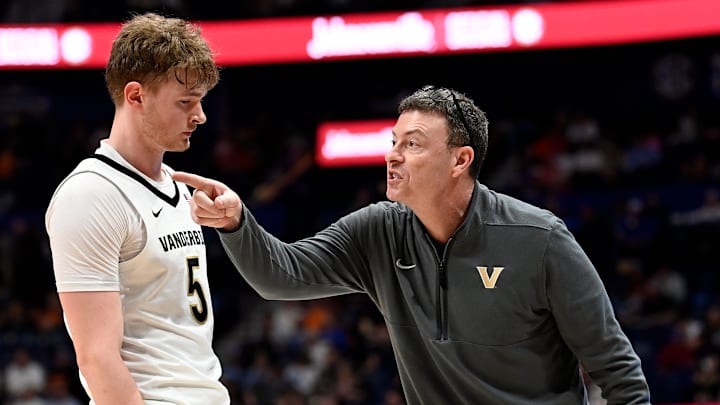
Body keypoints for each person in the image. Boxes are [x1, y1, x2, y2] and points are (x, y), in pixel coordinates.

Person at [173, 85, 651, 404]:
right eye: (394, 140)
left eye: (414, 144)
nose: (393, 155)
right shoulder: (379, 231)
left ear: (460, 159)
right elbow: (281, 276)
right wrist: (236, 223)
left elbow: (619, 373)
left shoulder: (540, 240)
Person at [45, 12, 228, 405]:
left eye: (200, 101)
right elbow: (97, 359)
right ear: (135, 96)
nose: (200, 116)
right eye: (186, 102)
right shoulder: (91, 194)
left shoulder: (178, 187)